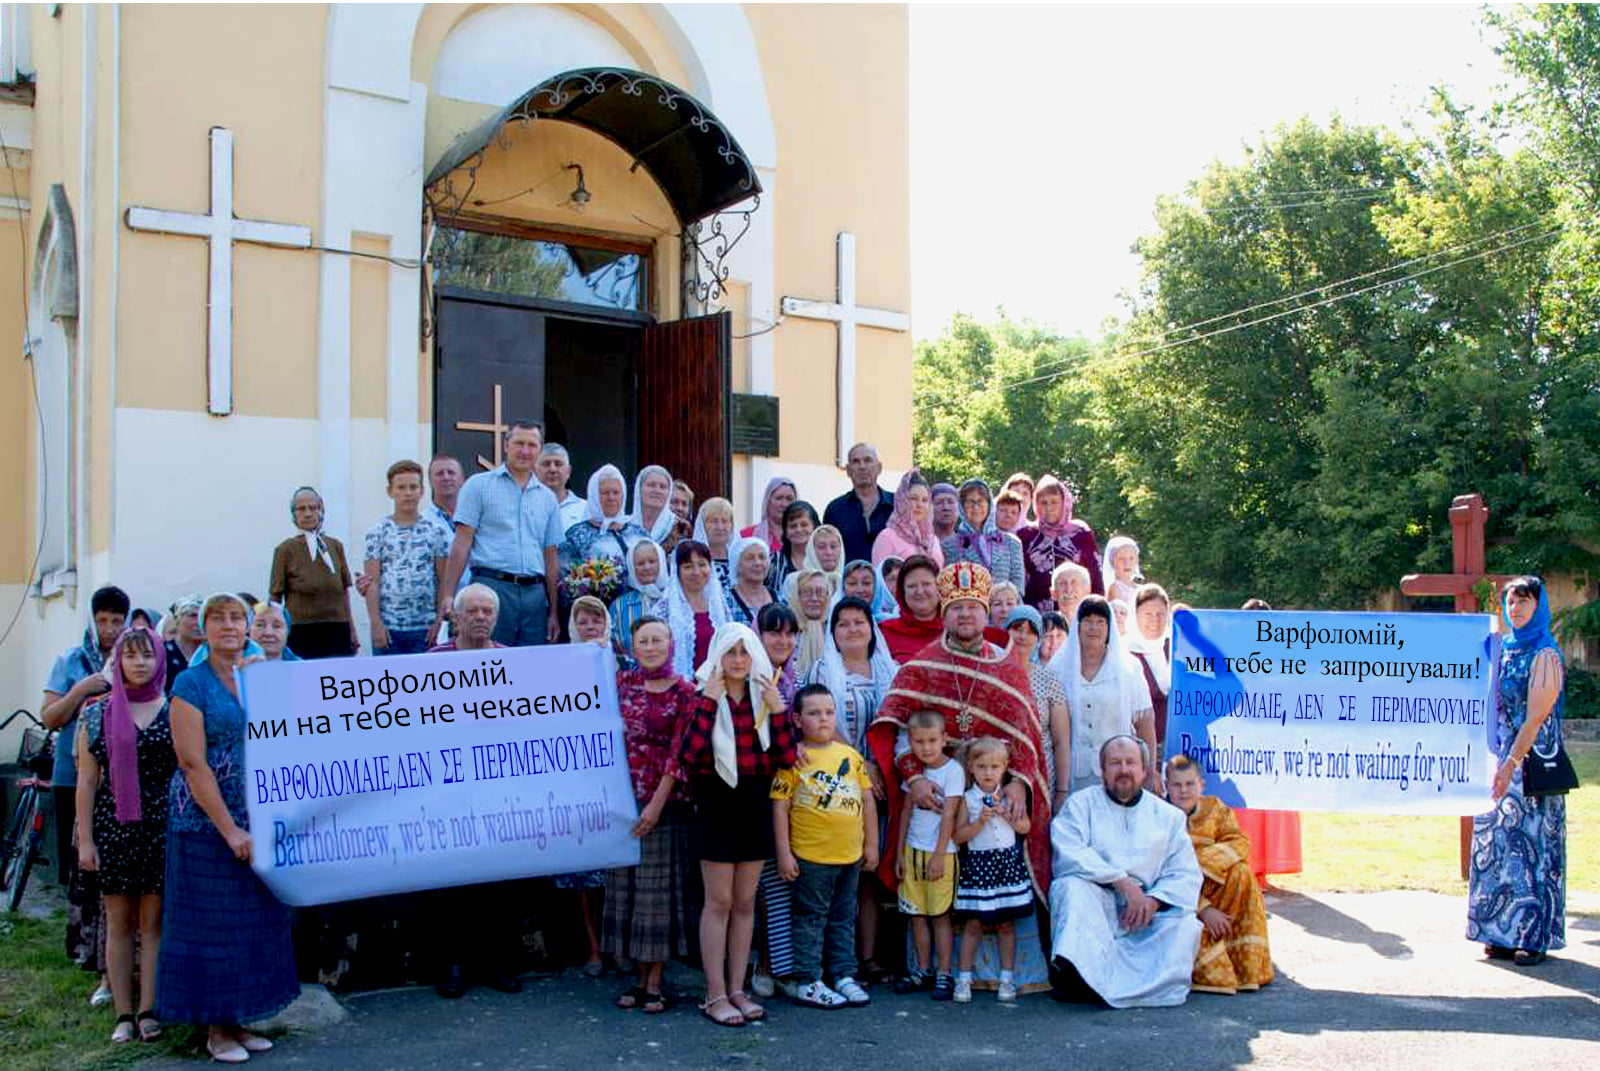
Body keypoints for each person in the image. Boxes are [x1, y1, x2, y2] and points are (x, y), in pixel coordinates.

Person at [869, 562, 1055, 995]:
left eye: (973, 607)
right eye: (957, 608)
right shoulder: (924, 663)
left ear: (986, 610)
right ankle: (936, 970)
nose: (966, 616)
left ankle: (1005, 973)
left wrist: (1019, 783)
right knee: (934, 886)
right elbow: (899, 731)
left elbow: (1025, 737)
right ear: (944, 612)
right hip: (936, 801)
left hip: (992, 798)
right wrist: (914, 778)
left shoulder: (1007, 665)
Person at [159, 593, 298, 1060]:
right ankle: (214, 1029)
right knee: (210, 927)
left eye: (236, 617)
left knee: (250, 923)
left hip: (257, 814)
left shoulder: (258, 676)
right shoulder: (189, 683)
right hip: (204, 822)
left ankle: (239, 1020)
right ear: (203, 628)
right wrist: (229, 830)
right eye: (216, 618)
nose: (228, 625)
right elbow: (192, 763)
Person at [670, 622, 797, 1027]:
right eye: (731, 653)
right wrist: (709, 702)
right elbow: (688, 756)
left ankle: (738, 988)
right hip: (716, 802)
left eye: (745, 652)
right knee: (719, 901)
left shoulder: (765, 696)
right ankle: (714, 993)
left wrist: (779, 714)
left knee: (746, 902)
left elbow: (787, 757)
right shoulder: (701, 694)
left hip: (754, 802)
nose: (739, 661)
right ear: (718, 656)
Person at [74, 624, 178, 1043]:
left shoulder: (175, 710)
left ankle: (149, 1009)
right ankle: (122, 1014)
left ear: (160, 660)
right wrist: (85, 841)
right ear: (117, 661)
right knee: (118, 923)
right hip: (113, 829)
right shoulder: (96, 713)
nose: (140, 663)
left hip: (161, 829)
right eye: (131, 656)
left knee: (152, 924)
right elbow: (86, 780)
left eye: (147, 655)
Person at [1048, 735, 1202, 1008]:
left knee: (1185, 924)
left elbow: (1184, 873)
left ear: (1144, 770)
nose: (1123, 770)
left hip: (1146, 913)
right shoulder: (1080, 804)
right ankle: (1077, 977)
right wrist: (1122, 882)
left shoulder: (1169, 817)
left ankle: (1143, 988)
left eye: (1131, 763)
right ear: (1103, 770)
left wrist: (1153, 901)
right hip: (1099, 901)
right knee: (1068, 887)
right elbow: (1069, 852)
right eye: (1115, 763)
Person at [1468, 576, 1568, 967]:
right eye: (1510, 602)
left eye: (1523, 602)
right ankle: (1498, 932)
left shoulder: (1545, 653)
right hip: (1498, 763)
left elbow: (1535, 716)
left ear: (1538, 605)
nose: (1516, 609)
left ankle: (1532, 935)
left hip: (1530, 762)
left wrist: (1511, 764)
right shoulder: (1502, 649)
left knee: (1532, 848)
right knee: (1496, 845)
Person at [607, 617, 700, 1015]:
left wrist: (656, 805)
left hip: (663, 804)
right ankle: (636, 976)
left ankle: (655, 980)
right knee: (628, 893)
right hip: (621, 803)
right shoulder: (621, 684)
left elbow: (680, 754)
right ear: (633, 647)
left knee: (656, 897)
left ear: (671, 643)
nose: (650, 646)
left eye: (657, 640)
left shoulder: (685, 691)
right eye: (642, 641)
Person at [771, 684, 878, 1009]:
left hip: (850, 856)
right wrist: (784, 853)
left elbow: (867, 800)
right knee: (811, 919)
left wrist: (871, 844)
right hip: (812, 858)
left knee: (844, 916)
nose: (823, 719)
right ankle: (808, 980)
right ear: (798, 719)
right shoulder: (793, 759)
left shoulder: (850, 756)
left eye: (829, 712)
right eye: (814, 713)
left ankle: (843, 973)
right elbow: (780, 806)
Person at [438, 420, 563, 647]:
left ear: (539, 449)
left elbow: (550, 557)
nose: (525, 451)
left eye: (532, 445)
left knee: (530, 667)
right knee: (492, 666)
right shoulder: (478, 486)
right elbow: (462, 542)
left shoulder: (548, 498)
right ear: (506, 446)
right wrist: (449, 593)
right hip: (490, 589)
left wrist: (553, 611)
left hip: (534, 596)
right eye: (519, 443)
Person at [1164, 754, 1274, 994]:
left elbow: (1239, 842)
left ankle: (1248, 970)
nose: (1184, 791)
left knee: (1241, 872)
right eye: (1177, 785)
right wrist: (1203, 908)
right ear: (1166, 786)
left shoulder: (1215, 807)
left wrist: (1199, 863)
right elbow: (1159, 875)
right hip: (1179, 901)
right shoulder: (1158, 816)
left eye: (1190, 784)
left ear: (1201, 784)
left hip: (1217, 889)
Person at [42, 585, 127, 886]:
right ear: (92, 620)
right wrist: (81, 690)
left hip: (120, 777)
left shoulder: (134, 660)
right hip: (72, 775)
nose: (110, 630)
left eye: (117, 622)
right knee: (77, 861)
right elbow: (50, 718)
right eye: (103, 621)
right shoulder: (70, 660)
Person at [952, 737, 1033, 1004]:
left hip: (1007, 867)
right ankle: (964, 980)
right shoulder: (967, 799)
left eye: (995, 767)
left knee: (1006, 925)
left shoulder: (1009, 797)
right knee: (974, 924)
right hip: (980, 868)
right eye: (982, 766)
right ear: (971, 767)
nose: (988, 772)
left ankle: (1006, 980)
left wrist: (1007, 815)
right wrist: (979, 822)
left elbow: (1025, 828)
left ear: (1005, 768)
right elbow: (958, 836)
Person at [1051, 595, 1160, 795]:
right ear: (1078, 625)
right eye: (1088, 621)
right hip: (1073, 776)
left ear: (1109, 627)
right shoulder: (1057, 668)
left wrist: (1150, 770)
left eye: (1101, 622)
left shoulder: (1129, 668)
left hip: (1119, 771)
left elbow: (1144, 722)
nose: (1094, 628)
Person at [891, 710, 962, 1000]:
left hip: (940, 855)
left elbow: (950, 814)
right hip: (912, 851)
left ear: (944, 739)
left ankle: (944, 973)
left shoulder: (953, 770)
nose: (926, 747)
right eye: (919, 742)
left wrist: (938, 854)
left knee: (940, 916)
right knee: (916, 915)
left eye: (933, 740)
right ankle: (922, 970)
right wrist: (898, 855)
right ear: (910, 742)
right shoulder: (915, 772)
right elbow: (906, 812)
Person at [362, 460, 452, 655]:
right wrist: (376, 623)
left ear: (422, 490)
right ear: (390, 491)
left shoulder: (436, 531)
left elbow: (444, 580)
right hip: (389, 629)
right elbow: (372, 582)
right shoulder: (377, 532)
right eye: (401, 487)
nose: (408, 492)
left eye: (413, 487)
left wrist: (439, 621)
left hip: (425, 630)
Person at [269, 486, 359, 658]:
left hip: (337, 629)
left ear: (321, 511)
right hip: (301, 631)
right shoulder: (285, 550)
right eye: (301, 509)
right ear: (294, 515)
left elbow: (344, 593)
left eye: (313, 508)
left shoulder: (335, 546)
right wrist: (274, 635)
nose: (308, 513)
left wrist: (352, 630)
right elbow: (275, 598)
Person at [1005, 606, 1073, 810]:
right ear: (1006, 630)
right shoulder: (991, 673)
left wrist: (1062, 790)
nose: (1023, 636)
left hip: (1041, 774)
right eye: (1017, 628)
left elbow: (1061, 741)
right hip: (996, 771)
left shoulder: (1049, 679)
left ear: (1039, 638)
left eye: (1032, 630)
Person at [558, 464, 647, 590]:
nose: (611, 497)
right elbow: (565, 581)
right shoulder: (576, 535)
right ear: (593, 495)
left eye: (616, 492)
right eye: (605, 493)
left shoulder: (639, 533)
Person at [1019, 475, 1101, 610]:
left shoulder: (1080, 533)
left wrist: (1097, 609)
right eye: (1043, 503)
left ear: (1064, 502)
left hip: (1076, 610)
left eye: (1054, 502)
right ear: (1036, 505)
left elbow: (1095, 574)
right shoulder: (1026, 535)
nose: (1049, 507)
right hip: (1035, 611)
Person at [942, 479, 1026, 592]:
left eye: (980, 501)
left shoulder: (1012, 543)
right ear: (962, 507)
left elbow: (1018, 586)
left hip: (1006, 607)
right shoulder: (948, 546)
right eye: (970, 502)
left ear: (989, 505)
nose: (976, 507)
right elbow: (950, 588)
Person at [663, 540, 730, 677]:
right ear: (677, 571)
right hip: (681, 688)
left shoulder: (719, 606)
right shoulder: (664, 609)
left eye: (702, 565)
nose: (696, 572)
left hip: (717, 686)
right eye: (688, 567)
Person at [824, 442, 895, 566]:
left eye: (868, 460)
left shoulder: (897, 505)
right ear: (848, 470)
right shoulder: (835, 510)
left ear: (879, 467)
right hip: (849, 582)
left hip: (889, 581)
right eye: (856, 461)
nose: (862, 467)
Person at [1127, 584, 1172, 753]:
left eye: (1161, 614)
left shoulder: (1177, 647)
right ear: (1135, 615)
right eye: (1148, 614)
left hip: (1182, 750)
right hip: (1140, 752)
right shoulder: (1124, 653)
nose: (1155, 620)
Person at [871, 469, 943, 571]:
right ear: (902, 501)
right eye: (913, 498)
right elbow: (881, 580)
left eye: (924, 500)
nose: (919, 505)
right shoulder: (887, 537)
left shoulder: (932, 539)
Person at [878, 554, 943, 663]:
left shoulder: (955, 628)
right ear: (902, 592)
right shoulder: (885, 632)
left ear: (939, 587)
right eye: (911, 586)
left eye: (926, 584)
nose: (920, 592)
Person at [611, 540, 669, 660]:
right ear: (632, 567)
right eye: (640, 563)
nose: (647, 567)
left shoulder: (676, 599)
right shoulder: (620, 605)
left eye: (652, 561)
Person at [780, 524, 846, 607]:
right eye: (821, 547)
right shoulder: (794, 581)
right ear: (812, 550)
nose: (828, 552)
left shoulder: (847, 583)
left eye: (833, 546)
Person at [787, 569, 836, 680]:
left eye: (820, 592)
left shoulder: (835, 632)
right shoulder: (785, 632)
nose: (814, 598)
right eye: (806, 592)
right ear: (797, 596)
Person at [428, 584, 505, 653]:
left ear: (496, 617)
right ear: (455, 617)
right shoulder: (436, 657)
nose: (480, 617)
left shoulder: (509, 657)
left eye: (487, 611)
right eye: (471, 611)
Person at [768, 500, 820, 598]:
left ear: (815, 527)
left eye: (804, 525)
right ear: (785, 531)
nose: (799, 530)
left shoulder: (824, 560)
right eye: (793, 526)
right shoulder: (773, 562)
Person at [537, 443, 588, 533]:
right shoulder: (524, 508)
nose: (552, 469)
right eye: (546, 464)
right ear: (535, 471)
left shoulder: (586, 510)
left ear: (568, 471)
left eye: (558, 464)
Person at [692, 497, 739, 593]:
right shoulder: (690, 557)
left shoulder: (740, 557)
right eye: (713, 521)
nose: (720, 527)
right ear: (703, 525)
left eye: (725, 521)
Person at [727, 536, 775, 624]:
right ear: (737, 564)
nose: (758, 563)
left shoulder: (780, 598)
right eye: (750, 558)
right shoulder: (725, 601)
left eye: (762, 557)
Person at [741, 476, 797, 551]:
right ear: (768, 501)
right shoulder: (747, 536)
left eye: (789, 499)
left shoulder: (803, 536)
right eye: (779, 498)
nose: (784, 504)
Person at [162, 595, 203, 689]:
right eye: (193, 616)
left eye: (203, 616)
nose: (199, 622)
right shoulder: (163, 652)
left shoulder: (213, 654)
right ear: (177, 620)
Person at [1101, 535, 1143, 608]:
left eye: (1131, 558)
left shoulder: (1140, 588)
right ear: (1112, 561)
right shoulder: (1115, 588)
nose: (1127, 563)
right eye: (1121, 559)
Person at [426, 453, 465, 528]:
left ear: (462, 479)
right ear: (430, 480)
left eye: (451, 472)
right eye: (440, 473)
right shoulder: (422, 523)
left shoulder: (476, 519)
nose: (446, 478)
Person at [1050, 562, 1093, 629]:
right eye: (1062, 584)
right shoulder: (1046, 630)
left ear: (1087, 589)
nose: (1069, 590)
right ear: (1053, 593)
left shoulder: (1097, 627)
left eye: (1074, 583)